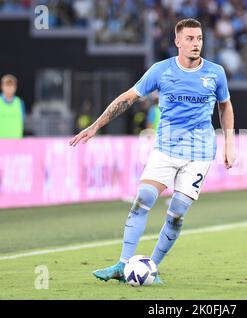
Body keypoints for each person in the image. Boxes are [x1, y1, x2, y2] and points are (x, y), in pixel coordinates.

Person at [69, 18, 235, 284]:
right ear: (177, 42)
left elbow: (225, 106)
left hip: (200, 152)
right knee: (143, 197)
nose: (196, 44)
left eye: (200, 38)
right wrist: (96, 125)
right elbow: (128, 98)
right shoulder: (161, 71)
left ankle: (151, 268)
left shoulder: (216, 73)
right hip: (166, 149)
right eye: (190, 39)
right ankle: (122, 265)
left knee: (178, 213)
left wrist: (230, 142)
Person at [0, 74, 25, 139]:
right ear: (2, 87)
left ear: (15, 87)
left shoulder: (19, 103)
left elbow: (22, 121)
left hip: (16, 141)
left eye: (11, 85)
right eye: (7, 85)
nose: (9, 88)